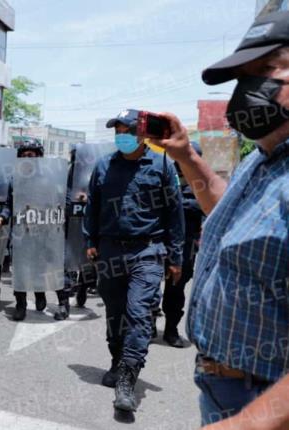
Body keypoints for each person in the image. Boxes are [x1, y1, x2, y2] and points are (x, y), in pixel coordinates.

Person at [154, 11, 289, 429]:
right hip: (226, 386)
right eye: (242, 79)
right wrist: (186, 156)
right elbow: (233, 214)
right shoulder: (264, 160)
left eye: (267, 71)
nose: (248, 91)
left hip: (267, 402)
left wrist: (246, 424)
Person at [83, 108, 185, 412]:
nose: (121, 136)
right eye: (117, 131)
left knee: (140, 315)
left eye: (127, 130)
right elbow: (92, 205)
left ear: (141, 133)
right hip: (111, 251)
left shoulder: (163, 165)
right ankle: (117, 359)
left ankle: (128, 378)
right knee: (115, 314)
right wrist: (90, 241)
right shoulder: (103, 166)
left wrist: (175, 256)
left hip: (148, 251)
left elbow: (175, 212)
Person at [0, 139, 73, 321]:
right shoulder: (15, 179)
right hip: (23, 232)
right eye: (23, 156)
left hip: (48, 231)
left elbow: (65, 201)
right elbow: (9, 204)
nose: (27, 159)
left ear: (39, 156)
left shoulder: (51, 178)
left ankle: (63, 304)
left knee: (53, 267)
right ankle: (21, 305)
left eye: (31, 155)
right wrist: (3, 216)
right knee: (22, 269)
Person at [153, 141, 205, 348]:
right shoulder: (165, 175)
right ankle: (148, 326)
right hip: (160, 240)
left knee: (176, 288)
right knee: (150, 285)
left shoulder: (200, 181)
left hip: (186, 244)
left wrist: (177, 203)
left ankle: (171, 330)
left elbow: (203, 207)